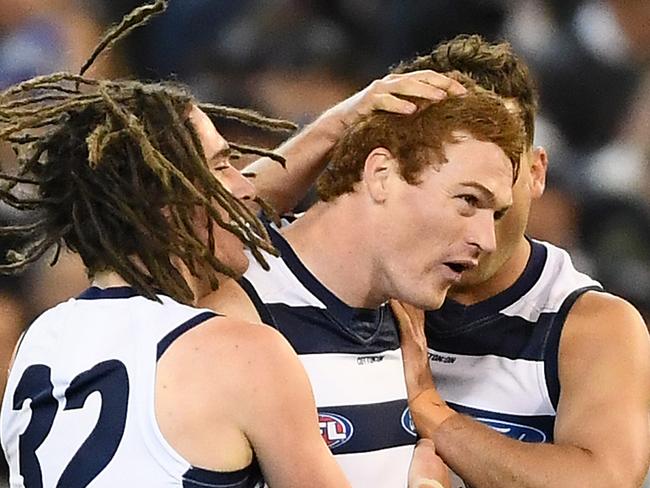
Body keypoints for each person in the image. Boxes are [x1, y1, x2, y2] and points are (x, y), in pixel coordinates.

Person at [0, 2, 354, 486]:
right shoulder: (241, 352)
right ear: (167, 198)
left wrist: (335, 126)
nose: (248, 185)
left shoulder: (36, 342)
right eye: (224, 164)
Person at [200, 76, 525, 487]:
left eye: (494, 214)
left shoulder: (410, 320)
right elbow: (195, 228)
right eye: (468, 200)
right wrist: (334, 126)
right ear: (381, 174)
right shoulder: (229, 310)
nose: (487, 239)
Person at [391, 35, 650, 488]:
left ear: (535, 173)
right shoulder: (363, 287)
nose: (478, 231)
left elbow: (604, 480)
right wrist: (338, 126)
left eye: (494, 189)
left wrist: (431, 412)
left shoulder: (589, 326)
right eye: (461, 190)